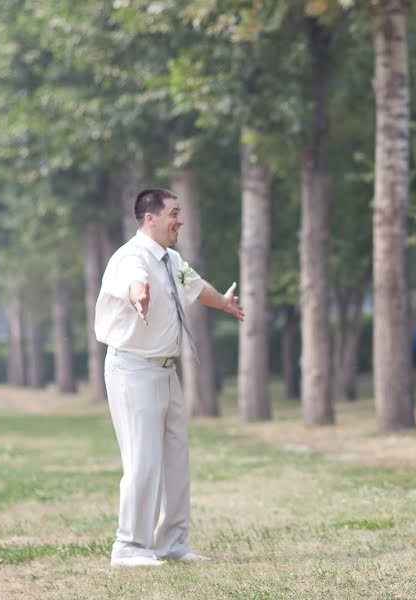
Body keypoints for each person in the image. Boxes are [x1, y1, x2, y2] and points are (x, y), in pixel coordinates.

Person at [94, 188, 245, 567]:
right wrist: (138, 295)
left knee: (175, 458)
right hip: (132, 370)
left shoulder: (171, 258)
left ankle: (171, 542)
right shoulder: (131, 257)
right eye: (174, 213)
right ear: (151, 218)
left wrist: (223, 303)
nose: (180, 219)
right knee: (143, 461)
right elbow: (132, 282)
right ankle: (129, 547)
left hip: (165, 371)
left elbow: (194, 285)